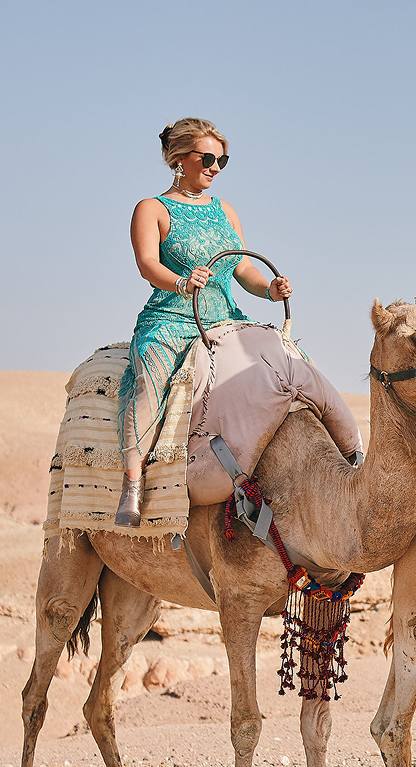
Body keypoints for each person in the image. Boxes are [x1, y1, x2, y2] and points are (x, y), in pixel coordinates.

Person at [115, 117, 293, 527]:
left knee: (290, 362)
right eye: (208, 158)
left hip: (226, 318)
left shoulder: (225, 210)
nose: (215, 167)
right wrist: (181, 282)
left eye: (223, 160)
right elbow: (147, 264)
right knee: (150, 383)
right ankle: (132, 484)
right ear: (179, 159)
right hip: (172, 316)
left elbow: (243, 268)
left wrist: (270, 291)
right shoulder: (151, 208)